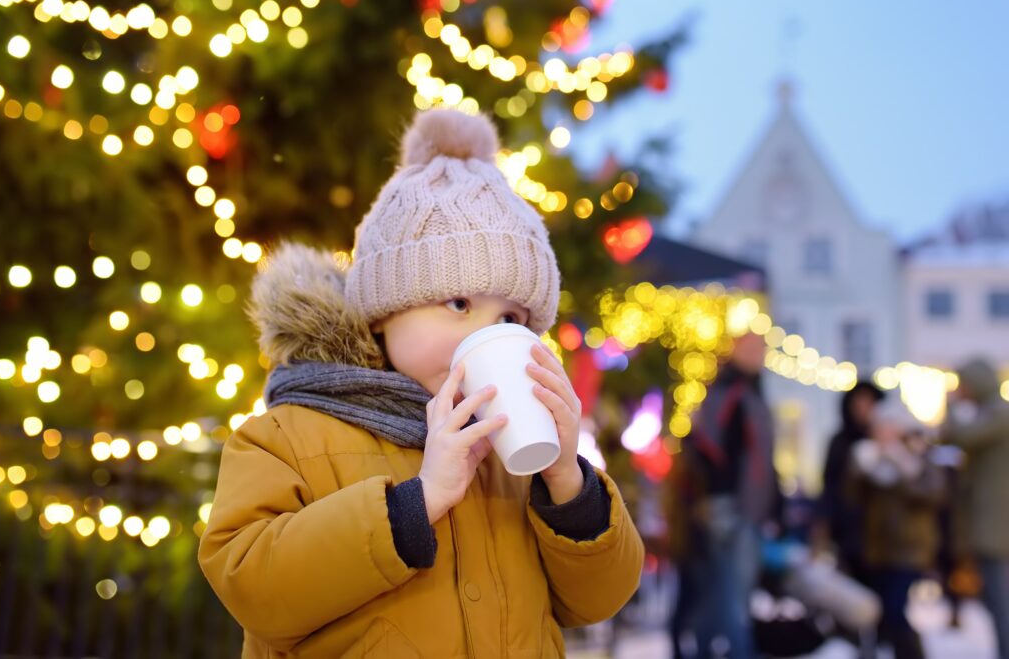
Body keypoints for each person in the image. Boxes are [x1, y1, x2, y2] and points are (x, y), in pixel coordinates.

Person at [197, 109, 644, 657]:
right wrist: (416, 502)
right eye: (458, 303)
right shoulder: (290, 435)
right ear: (384, 311)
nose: (487, 333)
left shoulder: (512, 454)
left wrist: (568, 483)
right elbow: (253, 584)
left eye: (510, 320)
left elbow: (596, 599)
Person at [669, 332, 778, 659]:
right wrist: (719, 498)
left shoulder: (747, 392)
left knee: (724, 592)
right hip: (730, 506)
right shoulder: (729, 393)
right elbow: (709, 450)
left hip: (745, 506)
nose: (759, 354)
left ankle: (708, 651)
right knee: (731, 594)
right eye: (752, 347)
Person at [847, 399, 944, 659]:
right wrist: (862, 468)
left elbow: (934, 494)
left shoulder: (918, 454)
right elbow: (852, 500)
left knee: (893, 609)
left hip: (909, 547)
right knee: (879, 613)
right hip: (876, 548)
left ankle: (912, 654)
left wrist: (902, 467)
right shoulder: (868, 457)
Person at [942, 358, 1009, 659]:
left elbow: (959, 436)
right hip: (992, 523)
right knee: (994, 599)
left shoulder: (999, 413)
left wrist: (950, 405)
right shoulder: (993, 413)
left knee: (999, 598)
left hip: (996, 525)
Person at [818, 382, 886, 580]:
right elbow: (829, 484)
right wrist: (824, 524)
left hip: (883, 534)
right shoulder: (840, 442)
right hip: (849, 529)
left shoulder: (887, 443)